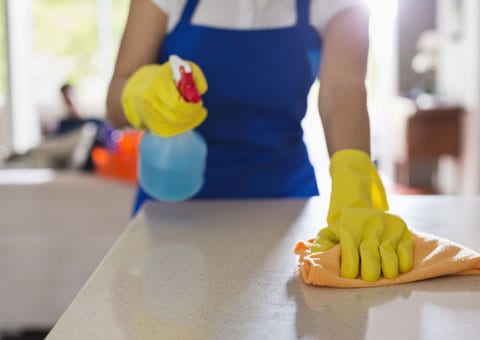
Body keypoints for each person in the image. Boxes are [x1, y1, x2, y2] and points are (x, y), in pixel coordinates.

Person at [106, 0, 413, 282]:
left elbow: (342, 87)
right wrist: (142, 94)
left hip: (285, 206)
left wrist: (354, 178)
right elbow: (114, 104)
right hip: (172, 204)